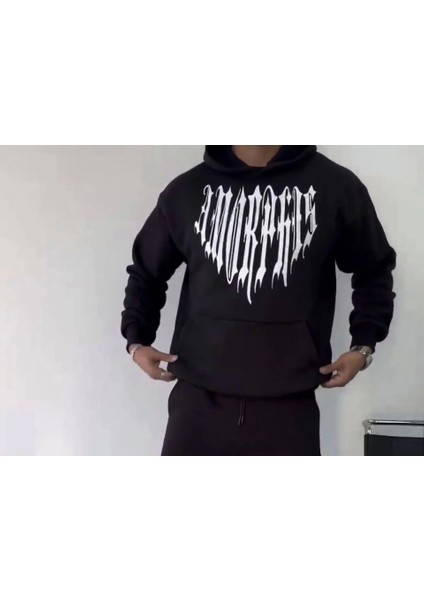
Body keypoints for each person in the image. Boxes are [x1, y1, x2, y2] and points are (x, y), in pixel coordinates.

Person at [121, 146, 397, 456]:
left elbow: (373, 269)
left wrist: (363, 346)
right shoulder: (187, 191)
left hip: (290, 401)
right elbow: (146, 271)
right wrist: (137, 340)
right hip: (197, 399)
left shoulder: (336, 187)